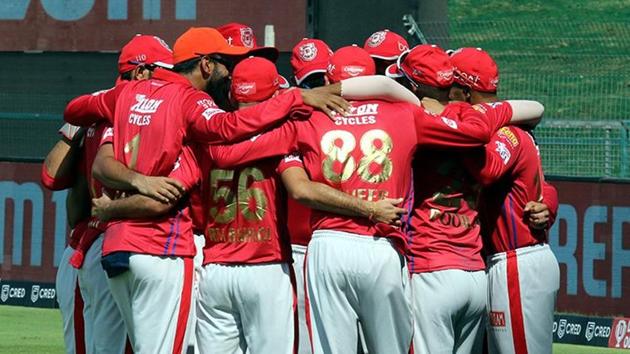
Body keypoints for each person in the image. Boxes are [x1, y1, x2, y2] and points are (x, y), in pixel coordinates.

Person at [63, 27, 348, 354]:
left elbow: (74, 111)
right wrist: (294, 100)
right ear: (207, 66)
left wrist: (114, 204)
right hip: (168, 249)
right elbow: (224, 132)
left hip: (120, 247)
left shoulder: (127, 94)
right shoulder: (192, 104)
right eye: (226, 62)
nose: (230, 72)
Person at [204, 44, 504, 354]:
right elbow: (477, 133)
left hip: (327, 247)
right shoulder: (405, 114)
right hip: (380, 245)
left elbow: (228, 154)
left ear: (330, 80)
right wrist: (454, 108)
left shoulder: (308, 118)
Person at [42, 34, 173, 354]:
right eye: (163, 71)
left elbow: (51, 178)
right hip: (99, 240)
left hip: (110, 241)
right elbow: (51, 175)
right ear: (141, 71)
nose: (169, 80)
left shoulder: (98, 103)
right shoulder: (107, 105)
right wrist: (75, 127)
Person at [451, 47, 560, 354]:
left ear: (465, 90)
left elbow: (488, 171)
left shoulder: (505, 132)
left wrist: (457, 127)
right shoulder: (506, 126)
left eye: (450, 87)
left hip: (516, 261)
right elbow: (541, 185)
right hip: (506, 260)